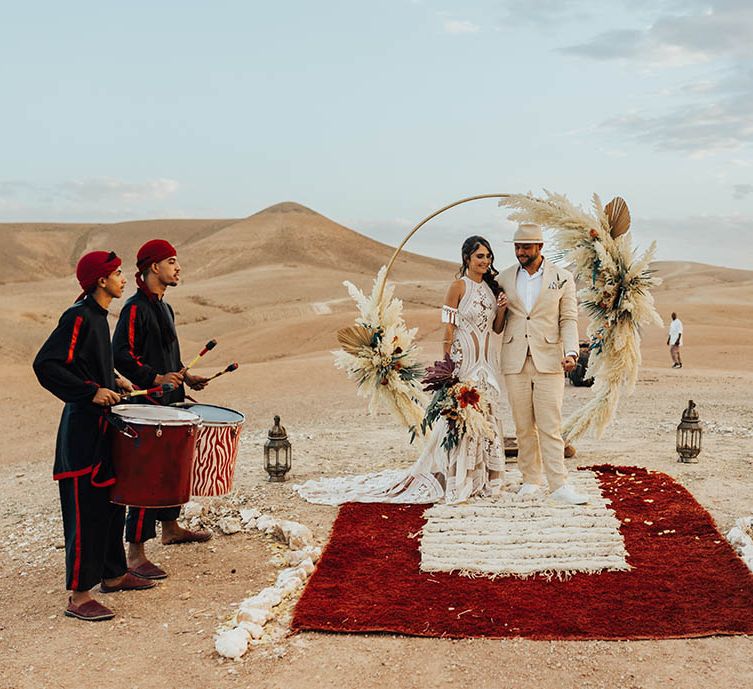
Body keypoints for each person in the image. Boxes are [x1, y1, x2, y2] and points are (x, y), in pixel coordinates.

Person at [294, 236, 508, 505]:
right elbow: (449, 328)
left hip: (487, 362)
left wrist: (501, 310)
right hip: (464, 359)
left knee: (486, 415)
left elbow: (497, 328)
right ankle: (459, 477)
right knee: (462, 416)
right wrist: (447, 364)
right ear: (467, 258)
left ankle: (484, 478)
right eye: (480, 256)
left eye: (488, 256)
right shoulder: (458, 287)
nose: (485, 261)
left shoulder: (491, 289)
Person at [33, 251, 155, 622]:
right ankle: (80, 595)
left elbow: (85, 363)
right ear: (101, 281)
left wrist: (111, 377)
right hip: (81, 435)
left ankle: (114, 574)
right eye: (117, 273)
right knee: (85, 513)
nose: (123, 278)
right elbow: (47, 364)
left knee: (109, 505)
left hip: (103, 430)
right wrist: (90, 391)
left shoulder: (99, 318)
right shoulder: (79, 316)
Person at [112, 239, 210, 581]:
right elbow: (121, 354)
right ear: (153, 267)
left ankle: (170, 527)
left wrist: (185, 376)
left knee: (173, 466)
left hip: (171, 401)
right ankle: (135, 554)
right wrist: (154, 378)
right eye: (171, 261)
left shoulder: (164, 308)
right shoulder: (134, 308)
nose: (177, 267)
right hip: (148, 406)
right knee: (145, 476)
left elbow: (167, 356)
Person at [497, 223, 587, 505]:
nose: (520, 252)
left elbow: (568, 319)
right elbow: (497, 322)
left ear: (540, 247)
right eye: (516, 247)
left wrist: (572, 352)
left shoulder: (563, 278)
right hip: (515, 360)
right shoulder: (503, 278)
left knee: (550, 425)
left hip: (550, 359)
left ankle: (559, 485)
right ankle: (530, 480)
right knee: (523, 426)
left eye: (525, 247)